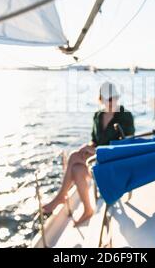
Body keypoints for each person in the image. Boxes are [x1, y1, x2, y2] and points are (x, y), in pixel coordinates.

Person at [42, 81, 135, 226]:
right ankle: (87, 209)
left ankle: (60, 197)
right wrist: (88, 147)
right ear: (101, 100)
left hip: (114, 164)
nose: (112, 101)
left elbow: (127, 148)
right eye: (108, 98)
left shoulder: (125, 116)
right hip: (96, 160)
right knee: (76, 169)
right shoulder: (98, 116)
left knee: (73, 158)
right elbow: (94, 140)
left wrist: (95, 150)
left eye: (115, 97)